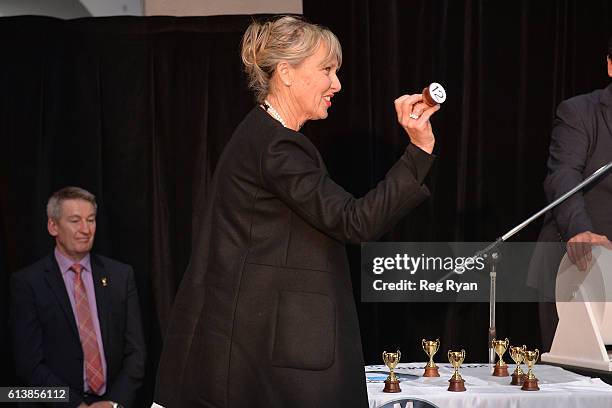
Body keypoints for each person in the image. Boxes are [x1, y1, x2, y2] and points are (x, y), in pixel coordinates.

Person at [153, 16, 440, 407]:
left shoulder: (262, 136)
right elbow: (355, 221)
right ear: (285, 73)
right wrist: (419, 151)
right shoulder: (277, 147)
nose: (336, 84)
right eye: (326, 70)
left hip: (257, 355)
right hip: (266, 365)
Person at [10, 187, 146, 408]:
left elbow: (136, 353)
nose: (85, 229)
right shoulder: (28, 283)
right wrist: (74, 405)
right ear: (53, 226)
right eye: (75, 221)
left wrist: (114, 403)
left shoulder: (121, 276)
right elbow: (29, 364)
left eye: (90, 220)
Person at [528, 36, 612, 349]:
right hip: (577, 268)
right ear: (610, 65)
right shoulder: (580, 112)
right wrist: (580, 230)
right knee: (575, 385)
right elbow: (563, 176)